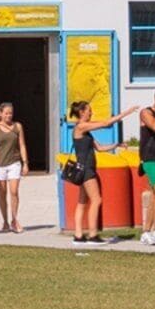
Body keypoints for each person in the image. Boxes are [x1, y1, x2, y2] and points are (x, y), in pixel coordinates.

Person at [60, 99, 103, 241]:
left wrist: (118, 144)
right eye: (89, 110)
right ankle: (93, 234)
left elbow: (100, 148)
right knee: (96, 200)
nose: (91, 113)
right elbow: (105, 123)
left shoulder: (86, 131)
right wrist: (123, 114)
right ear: (82, 112)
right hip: (86, 170)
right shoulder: (80, 127)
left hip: (87, 168)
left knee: (82, 202)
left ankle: (78, 235)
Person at [0, 102, 28, 233]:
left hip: (14, 163)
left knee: (14, 191)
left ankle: (14, 219)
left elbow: (22, 145)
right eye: (6, 113)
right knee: (2, 193)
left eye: (10, 113)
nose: (9, 115)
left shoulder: (17, 127)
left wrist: (25, 162)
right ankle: (5, 220)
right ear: (0, 113)